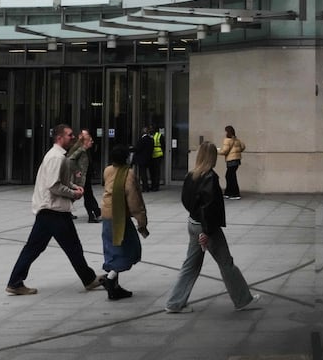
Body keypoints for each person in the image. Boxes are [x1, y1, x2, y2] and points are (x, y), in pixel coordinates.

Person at [5, 124, 104, 295]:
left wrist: (73, 187)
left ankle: (15, 282)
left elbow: (60, 180)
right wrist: (74, 193)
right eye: (69, 135)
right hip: (54, 211)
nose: (73, 137)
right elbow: (54, 186)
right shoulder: (56, 158)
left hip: (50, 211)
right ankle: (88, 279)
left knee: (37, 248)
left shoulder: (58, 156)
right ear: (59, 138)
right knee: (71, 247)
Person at [164, 142, 261, 313]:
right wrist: (206, 232)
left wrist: (196, 220)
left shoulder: (191, 175)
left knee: (191, 264)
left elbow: (186, 201)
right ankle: (243, 299)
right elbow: (209, 208)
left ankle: (175, 302)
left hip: (193, 224)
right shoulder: (210, 177)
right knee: (226, 263)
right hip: (207, 228)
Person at [99, 145, 150, 300]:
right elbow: (134, 200)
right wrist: (142, 221)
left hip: (107, 215)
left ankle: (114, 288)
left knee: (113, 249)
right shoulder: (129, 174)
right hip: (119, 217)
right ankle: (110, 278)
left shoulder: (107, 170)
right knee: (129, 249)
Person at [67, 129, 102, 223]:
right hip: (82, 178)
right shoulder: (80, 149)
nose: (92, 142)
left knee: (87, 196)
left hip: (86, 176)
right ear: (84, 141)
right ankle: (96, 213)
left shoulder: (87, 150)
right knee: (86, 195)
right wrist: (76, 171)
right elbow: (70, 159)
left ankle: (93, 215)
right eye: (90, 140)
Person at [218, 125, 246, 200]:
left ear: (228, 132)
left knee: (230, 177)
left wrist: (217, 151)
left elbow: (224, 151)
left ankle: (234, 193)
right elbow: (243, 147)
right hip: (237, 160)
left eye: (225, 131)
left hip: (231, 160)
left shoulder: (227, 140)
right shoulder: (236, 139)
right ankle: (228, 193)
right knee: (230, 176)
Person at [132, 127, 153, 193]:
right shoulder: (151, 139)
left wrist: (132, 149)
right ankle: (146, 186)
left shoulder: (142, 139)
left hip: (141, 159)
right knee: (146, 173)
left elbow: (138, 149)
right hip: (148, 159)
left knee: (143, 173)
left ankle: (145, 187)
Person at [149, 125, 165, 192]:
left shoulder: (159, 135)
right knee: (152, 172)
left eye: (151, 128)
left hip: (158, 155)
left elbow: (163, 145)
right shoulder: (149, 136)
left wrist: (163, 154)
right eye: (150, 129)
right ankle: (153, 185)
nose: (150, 130)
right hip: (151, 155)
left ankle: (156, 186)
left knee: (156, 172)